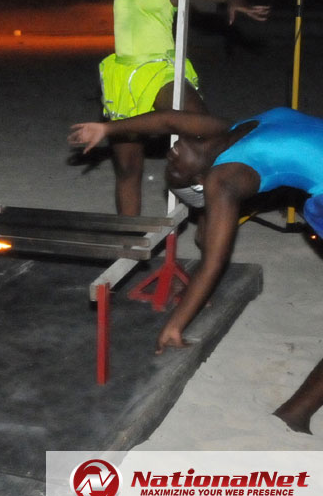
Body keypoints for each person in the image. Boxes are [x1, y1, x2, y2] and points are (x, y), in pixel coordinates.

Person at [69, 106, 323, 433]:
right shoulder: (226, 178)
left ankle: (296, 413)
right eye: (178, 172)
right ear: (202, 180)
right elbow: (214, 260)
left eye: (171, 169)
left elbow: (168, 119)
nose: (171, 160)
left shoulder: (232, 128)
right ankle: (295, 414)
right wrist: (176, 324)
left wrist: (106, 130)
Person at [98, 0, 269, 216]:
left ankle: (217, 189)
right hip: (123, 75)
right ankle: (129, 244)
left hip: (159, 70)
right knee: (127, 170)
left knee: (202, 124)